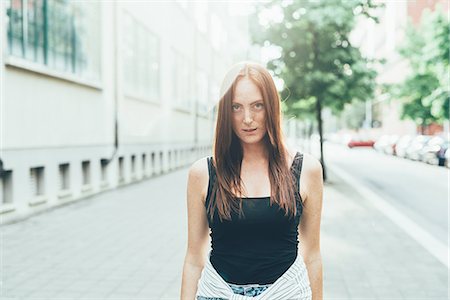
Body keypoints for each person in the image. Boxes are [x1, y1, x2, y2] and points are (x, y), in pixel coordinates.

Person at [180, 62, 323, 300]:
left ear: (272, 108)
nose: (247, 118)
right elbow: (194, 259)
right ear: (226, 113)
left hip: (286, 293)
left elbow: (313, 255)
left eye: (257, 106)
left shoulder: (306, 169)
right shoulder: (203, 173)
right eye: (236, 107)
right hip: (219, 294)